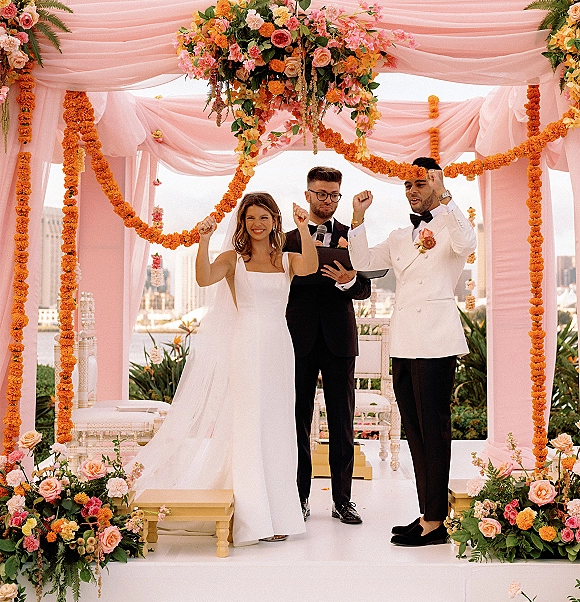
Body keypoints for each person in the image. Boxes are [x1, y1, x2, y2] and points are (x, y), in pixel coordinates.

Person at [131, 192, 318, 547]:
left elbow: (310, 266)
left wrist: (303, 227)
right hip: (246, 346)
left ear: (274, 221)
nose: (257, 224)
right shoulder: (233, 259)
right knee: (249, 425)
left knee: (279, 427)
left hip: (280, 347)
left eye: (264, 217)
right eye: (250, 218)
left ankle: (281, 515)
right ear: (242, 223)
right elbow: (203, 278)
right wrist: (202, 240)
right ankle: (254, 517)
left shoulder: (287, 259)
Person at [349, 157, 476, 547]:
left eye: (421, 183)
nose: (413, 190)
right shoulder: (401, 235)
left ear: (435, 185)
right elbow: (363, 261)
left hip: (436, 341)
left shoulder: (451, 225)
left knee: (434, 431)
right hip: (404, 341)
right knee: (416, 434)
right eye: (408, 185)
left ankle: (437, 522)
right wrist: (357, 217)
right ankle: (427, 514)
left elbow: (467, 244)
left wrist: (446, 198)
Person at [284, 166, 371, 525]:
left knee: (342, 424)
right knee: (296, 423)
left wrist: (349, 280)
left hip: (339, 340)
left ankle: (343, 500)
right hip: (296, 340)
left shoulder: (353, 235)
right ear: (307, 194)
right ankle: (298, 498)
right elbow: (279, 286)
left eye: (334, 195)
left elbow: (365, 287)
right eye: (322, 194)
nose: (329, 201)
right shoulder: (287, 238)